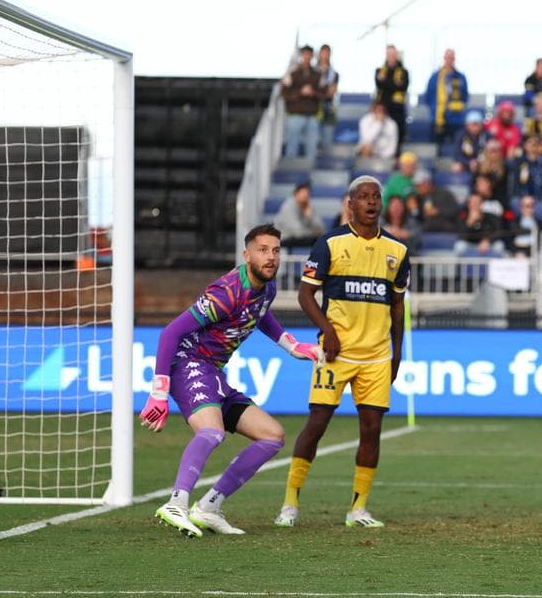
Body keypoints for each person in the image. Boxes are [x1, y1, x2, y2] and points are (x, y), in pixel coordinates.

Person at [142, 224, 321, 537]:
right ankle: (176, 502)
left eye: (276, 251)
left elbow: (261, 314)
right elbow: (170, 332)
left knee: (272, 436)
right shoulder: (225, 294)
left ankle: (209, 507)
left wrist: (292, 346)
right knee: (211, 432)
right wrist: (159, 392)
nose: (271, 257)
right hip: (189, 364)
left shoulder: (267, 288)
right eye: (263, 250)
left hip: (213, 371)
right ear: (246, 254)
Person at [276, 176, 410, 530]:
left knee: (372, 429)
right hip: (335, 353)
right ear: (350, 203)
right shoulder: (329, 244)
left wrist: (397, 355)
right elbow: (305, 296)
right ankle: (290, 503)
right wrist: (329, 331)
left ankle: (358, 508)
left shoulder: (397, 251)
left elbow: (397, 307)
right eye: (363, 197)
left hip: (377, 356)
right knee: (317, 423)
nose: (371, 202)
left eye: (375, 197)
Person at [280, 45, 322, 161]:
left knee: (312, 148)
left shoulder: (317, 74)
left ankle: (309, 177)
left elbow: (324, 93)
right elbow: (283, 92)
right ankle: (290, 175)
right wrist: (300, 92)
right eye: (305, 54)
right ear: (301, 56)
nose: (307, 57)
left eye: (309, 54)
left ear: (312, 56)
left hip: (312, 115)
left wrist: (313, 92)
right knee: (292, 146)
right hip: (295, 114)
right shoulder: (292, 72)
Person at [425, 49, 468, 143]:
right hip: (438, 118)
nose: (449, 60)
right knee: (436, 144)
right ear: (444, 58)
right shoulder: (435, 77)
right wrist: (435, 110)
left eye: (451, 58)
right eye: (447, 57)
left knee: (457, 145)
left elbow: (464, 97)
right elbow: (429, 96)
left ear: (454, 59)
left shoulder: (460, 77)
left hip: (456, 119)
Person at [375, 45, 410, 149]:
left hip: (397, 110)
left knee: (398, 138)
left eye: (393, 54)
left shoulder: (404, 72)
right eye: (389, 54)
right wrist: (395, 84)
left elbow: (403, 87)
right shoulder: (379, 70)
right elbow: (379, 85)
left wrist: (385, 81)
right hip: (383, 109)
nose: (391, 56)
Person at [274, 182, 325, 248]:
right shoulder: (288, 207)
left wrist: (310, 217)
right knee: (315, 240)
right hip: (285, 239)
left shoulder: (309, 207)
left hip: (302, 238)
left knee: (322, 240)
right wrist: (313, 232)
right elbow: (298, 232)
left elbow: (321, 230)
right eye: (303, 193)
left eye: (308, 194)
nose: (306, 196)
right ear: (296, 194)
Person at [315, 44, 340, 151]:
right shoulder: (312, 71)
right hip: (314, 108)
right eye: (323, 53)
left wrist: (317, 92)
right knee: (313, 140)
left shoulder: (334, 73)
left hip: (328, 109)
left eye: (327, 53)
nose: (325, 55)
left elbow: (330, 93)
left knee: (327, 141)